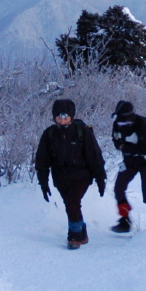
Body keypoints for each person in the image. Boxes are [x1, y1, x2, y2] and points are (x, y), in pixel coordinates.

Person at [35, 98, 106, 249]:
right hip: (60, 177)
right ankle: (82, 231)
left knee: (72, 202)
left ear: (72, 116)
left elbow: (95, 156)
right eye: (59, 117)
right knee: (70, 204)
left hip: (82, 175)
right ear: (54, 117)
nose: (62, 120)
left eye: (65, 116)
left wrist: (100, 178)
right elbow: (42, 161)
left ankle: (74, 236)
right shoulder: (49, 134)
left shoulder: (82, 132)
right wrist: (43, 182)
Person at [108, 100, 146, 232]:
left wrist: (125, 147)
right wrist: (127, 148)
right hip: (130, 162)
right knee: (118, 188)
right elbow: (116, 143)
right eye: (120, 121)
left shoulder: (142, 124)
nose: (122, 124)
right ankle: (124, 220)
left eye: (124, 121)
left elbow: (144, 149)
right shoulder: (116, 124)